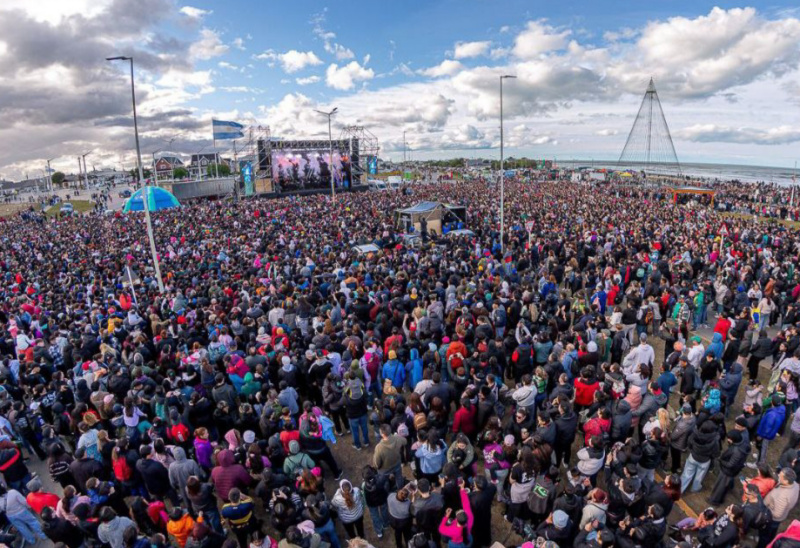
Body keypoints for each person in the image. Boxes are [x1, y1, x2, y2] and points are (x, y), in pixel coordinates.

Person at [761, 468, 800, 548]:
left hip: (772, 519)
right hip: (781, 517)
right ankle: (770, 539)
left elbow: (777, 514)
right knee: (772, 532)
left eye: (780, 476)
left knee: (765, 535)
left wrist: (766, 510)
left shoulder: (783, 496)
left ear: (786, 481)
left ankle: (762, 545)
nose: (778, 475)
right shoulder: (795, 484)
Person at [438, 482, 473, 548]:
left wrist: (446, 517)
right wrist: (462, 489)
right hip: (468, 538)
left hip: (456, 544)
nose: (459, 510)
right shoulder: (470, 517)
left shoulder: (452, 530)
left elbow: (441, 529)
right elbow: (466, 503)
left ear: (456, 519)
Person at [374, 423, 406, 489]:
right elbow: (405, 441)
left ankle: (387, 491)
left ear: (382, 434)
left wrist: (377, 467)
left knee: (385, 480)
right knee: (399, 477)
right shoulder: (397, 438)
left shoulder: (379, 447)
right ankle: (400, 490)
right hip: (396, 463)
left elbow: (377, 464)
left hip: (385, 469)